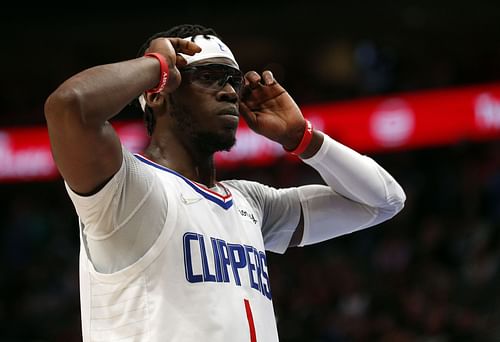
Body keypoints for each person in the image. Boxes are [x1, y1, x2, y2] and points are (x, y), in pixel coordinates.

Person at [44, 24, 406, 342]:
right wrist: (157, 65)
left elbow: (383, 201)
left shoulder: (250, 202)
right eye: (208, 77)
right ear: (157, 93)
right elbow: (68, 108)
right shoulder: (127, 188)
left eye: (231, 80)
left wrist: (302, 138)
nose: (230, 92)